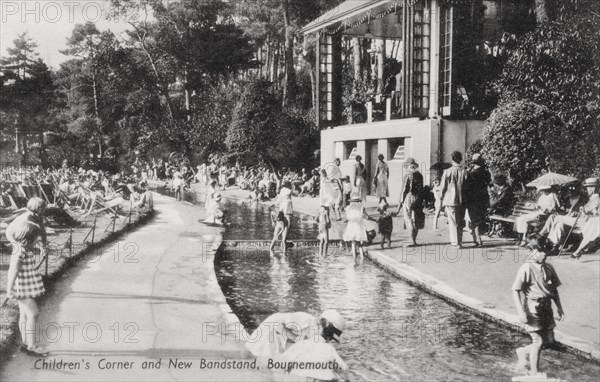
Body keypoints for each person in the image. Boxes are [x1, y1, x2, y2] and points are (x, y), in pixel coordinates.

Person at [247, 310, 349, 381]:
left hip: (279, 343)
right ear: (321, 325)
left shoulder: (315, 336)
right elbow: (278, 325)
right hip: (267, 337)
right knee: (266, 368)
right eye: (329, 335)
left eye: (330, 338)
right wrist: (298, 339)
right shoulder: (304, 319)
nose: (328, 339)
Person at [5, 197, 50, 357]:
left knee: (24, 314)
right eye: (35, 240)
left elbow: (40, 231)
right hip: (21, 287)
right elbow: (13, 271)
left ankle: (25, 343)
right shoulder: (19, 251)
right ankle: (32, 346)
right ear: (26, 239)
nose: (37, 241)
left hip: (25, 285)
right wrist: (9, 290)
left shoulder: (25, 249)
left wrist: (43, 245)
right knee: (33, 313)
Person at [512, 238, 564, 376]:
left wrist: (559, 307)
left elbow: (554, 289)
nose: (544, 254)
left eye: (546, 251)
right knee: (538, 341)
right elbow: (515, 290)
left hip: (546, 307)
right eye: (540, 251)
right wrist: (521, 312)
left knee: (549, 341)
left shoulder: (548, 268)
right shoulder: (526, 268)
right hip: (532, 307)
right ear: (532, 251)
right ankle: (535, 373)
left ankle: (522, 351)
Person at [541, 178, 600, 255]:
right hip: (581, 219)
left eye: (588, 187)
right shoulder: (591, 198)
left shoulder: (596, 198)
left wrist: (583, 211)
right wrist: (581, 210)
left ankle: (548, 241)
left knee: (557, 218)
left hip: (586, 222)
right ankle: (554, 246)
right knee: (559, 224)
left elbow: (592, 212)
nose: (587, 189)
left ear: (594, 188)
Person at [440, 151, 467, 248]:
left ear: (452, 159)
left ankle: (455, 243)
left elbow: (443, 187)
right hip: (463, 200)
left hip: (451, 200)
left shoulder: (448, 171)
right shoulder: (465, 171)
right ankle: (459, 241)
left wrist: (441, 197)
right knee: (460, 222)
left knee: (453, 222)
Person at [463, 154, 491, 247]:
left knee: (474, 220)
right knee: (479, 219)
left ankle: (478, 240)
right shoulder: (486, 172)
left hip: (473, 199)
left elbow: (467, 187)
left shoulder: (472, 174)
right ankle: (477, 239)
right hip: (483, 198)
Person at [396, 158, 424, 247]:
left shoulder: (407, 176)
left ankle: (411, 241)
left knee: (409, 219)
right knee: (415, 218)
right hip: (418, 198)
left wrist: (400, 203)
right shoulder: (420, 175)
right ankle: (414, 240)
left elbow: (404, 190)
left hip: (409, 197)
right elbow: (421, 189)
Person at [343, 190, 369, 262]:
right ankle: (362, 258)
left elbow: (347, 218)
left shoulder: (348, 208)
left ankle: (354, 259)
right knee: (359, 243)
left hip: (351, 226)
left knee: (353, 243)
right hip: (359, 226)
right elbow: (366, 216)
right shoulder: (361, 207)